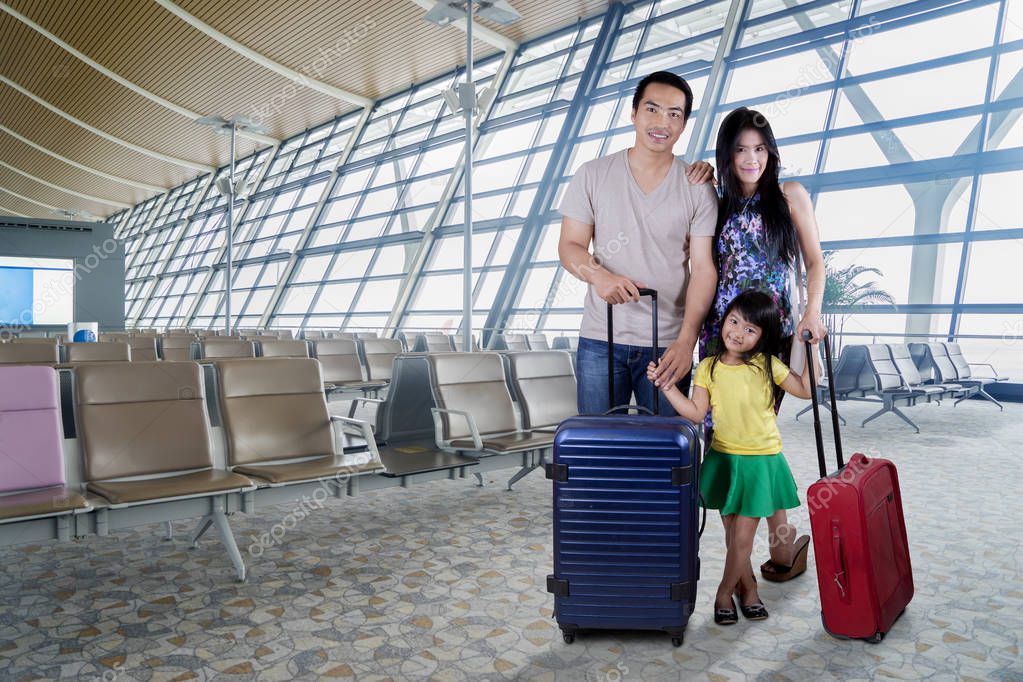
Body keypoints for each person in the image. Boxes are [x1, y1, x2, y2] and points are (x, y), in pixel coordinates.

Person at [693, 106, 828, 582]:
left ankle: (760, 557)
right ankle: (781, 550)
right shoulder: (716, 200)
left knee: (756, 440)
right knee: (729, 441)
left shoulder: (789, 194)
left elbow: (815, 262)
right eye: (740, 149)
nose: (751, 158)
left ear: (771, 152)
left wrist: (812, 311)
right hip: (722, 335)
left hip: (767, 335)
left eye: (759, 149)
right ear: (726, 155)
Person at [647, 290, 820, 624]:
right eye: (734, 321)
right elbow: (695, 414)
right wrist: (667, 388)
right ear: (724, 320)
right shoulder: (708, 367)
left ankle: (724, 593)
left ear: (762, 337)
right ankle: (750, 588)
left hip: (760, 462)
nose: (738, 332)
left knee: (742, 539)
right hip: (725, 460)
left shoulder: (769, 365)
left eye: (750, 329)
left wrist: (811, 346)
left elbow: (807, 389)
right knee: (733, 539)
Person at [559, 71, 718, 415]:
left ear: (685, 123)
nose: (662, 121)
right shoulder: (593, 174)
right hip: (601, 339)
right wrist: (600, 276)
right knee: (599, 451)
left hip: (667, 344)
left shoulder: (697, 186)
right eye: (652, 109)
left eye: (674, 114)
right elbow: (570, 246)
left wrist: (686, 339)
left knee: (664, 454)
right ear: (633, 114)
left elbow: (704, 270)